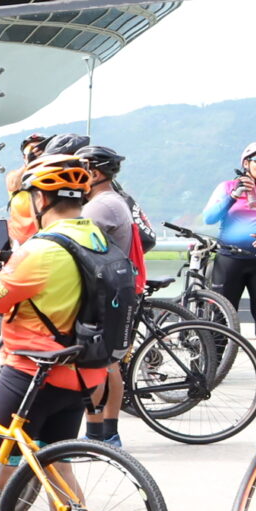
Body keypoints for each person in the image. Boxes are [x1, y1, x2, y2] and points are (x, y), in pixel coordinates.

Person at [0, 158, 112, 511]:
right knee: (56, 461)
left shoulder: (42, 249)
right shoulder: (96, 238)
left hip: (31, 371)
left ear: (40, 199)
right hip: (81, 372)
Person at [202, 140, 256, 386]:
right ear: (246, 163)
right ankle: (214, 362)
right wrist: (233, 196)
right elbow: (209, 217)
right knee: (221, 314)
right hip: (229, 260)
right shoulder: (227, 187)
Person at [78, 145, 146, 447]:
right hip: (119, 288)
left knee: (95, 364)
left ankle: (97, 435)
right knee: (109, 363)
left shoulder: (99, 206)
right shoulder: (113, 200)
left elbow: (73, 243)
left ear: (94, 172)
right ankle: (107, 433)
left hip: (105, 293)